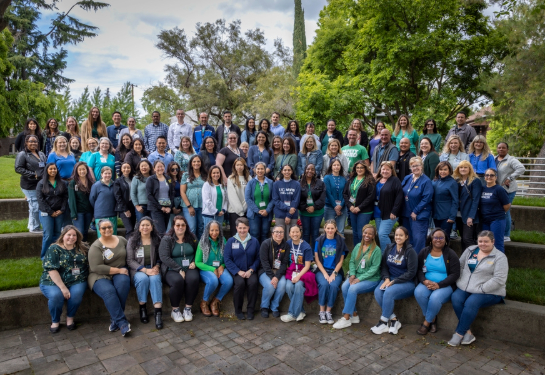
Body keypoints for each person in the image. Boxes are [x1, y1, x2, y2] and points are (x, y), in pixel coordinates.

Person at [448, 231, 508, 346]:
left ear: (493, 242)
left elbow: (499, 279)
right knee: (456, 297)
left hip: (489, 291)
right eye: (480, 241)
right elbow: (460, 266)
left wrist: (481, 289)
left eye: (486, 241)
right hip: (466, 287)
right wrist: (461, 282)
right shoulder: (470, 250)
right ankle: (468, 332)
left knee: (471, 302)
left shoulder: (500, 257)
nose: (483, 244)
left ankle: (459, 333)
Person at [39, 226, 89, 333]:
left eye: (74, 235)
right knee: (56, 296)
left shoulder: (82, 247)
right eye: (69, 235)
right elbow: (51, 269)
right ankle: (55, 321)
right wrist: (63, 288)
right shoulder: (54, 249)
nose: (71, 237)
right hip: (53, 281)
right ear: (63, 236)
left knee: (76, 295)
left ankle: (70, 318)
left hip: (77, 279)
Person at [88, 219, 131, 336]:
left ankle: (114, 320)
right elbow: (96, 267)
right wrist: (118, 270)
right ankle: (122, 323)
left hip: (120, 272)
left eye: (109, 227)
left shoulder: (122, 240)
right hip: (99, 275)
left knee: (123, 285)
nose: (107, 230)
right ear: (99, 229)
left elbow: (130, 255)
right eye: (104, 228)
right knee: (109, 291)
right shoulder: (96, 246)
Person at [333, 224, 382, 329]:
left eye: (370, 234)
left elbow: (374, 269)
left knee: (353, 288)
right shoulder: (358, 246)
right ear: (362, 233)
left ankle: (346, 318)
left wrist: (359, 279)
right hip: (356, 275)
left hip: (371, 279)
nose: (367, 235)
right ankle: (354, 315)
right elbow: (351, 262)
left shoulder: (376, 250)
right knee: (345, 286)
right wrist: (353, 274)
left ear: (374, 236)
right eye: (365, 233)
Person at [371, 226, 417, 335]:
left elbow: (411, 273)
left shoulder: (410, 252)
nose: (398, 237)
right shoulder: (389, 248)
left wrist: (394, 281)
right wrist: (387, 279)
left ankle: (383, 322)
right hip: (390, 279)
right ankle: (394, 320)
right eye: (396, 235)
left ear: (406, 237)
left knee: (389, 292)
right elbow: (384, 266)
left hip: (406, 282)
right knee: (378, 292)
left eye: (401, 235)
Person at [415, 228, 460, 335]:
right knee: (418, 293)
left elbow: (455, 274)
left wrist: (439, 285)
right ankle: (433, 318)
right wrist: (424, 281)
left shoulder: (451, 254)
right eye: (435, 237)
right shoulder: (424, 252)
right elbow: (419, 269)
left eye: (441, 237)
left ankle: (426, 322)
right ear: (431, 239)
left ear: (445, 240)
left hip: (445, 285)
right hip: (427, 282)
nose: (438, 240)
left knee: (435, 298)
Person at [159, 215, 199, 322]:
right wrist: (179, 269)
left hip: (189, 267)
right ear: (173, 226)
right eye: (178, 225)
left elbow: (198, 252)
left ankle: (187, 309)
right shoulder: (167, 239)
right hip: (172, 268)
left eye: (183, 225)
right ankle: (175, 310)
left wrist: (195, 261)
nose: (180, 227)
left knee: (193, 279)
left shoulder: (192, 237)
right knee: (177, 281)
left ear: (186, 226)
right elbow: (164, 257)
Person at [126, 217, 163, 329]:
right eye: (143, 225)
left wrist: (157, 266)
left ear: (152, 227)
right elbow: (129, 260)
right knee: (143, 279)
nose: (145, 227)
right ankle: (142, 308)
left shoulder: (157, 239)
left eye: (147, 225)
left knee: (155, 279)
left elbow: (160, 257)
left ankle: (158, 313)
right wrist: (145, 270)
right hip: (138, 270)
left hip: (153, 268)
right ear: (139, 227)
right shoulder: (132, 240)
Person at [224, 217, 261, 320]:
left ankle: (250, 310)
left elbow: (258, 258)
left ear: (248, 228)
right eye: (240, 228)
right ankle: (238, 310)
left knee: (253, 283)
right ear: (236, 228)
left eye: (244, 228)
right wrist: (237, 271)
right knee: (239, 284)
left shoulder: (254, 241)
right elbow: (227, 259)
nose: (242, 230)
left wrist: (251, 269)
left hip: (251, 270)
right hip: (237, 271)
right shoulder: (231, 241)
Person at [195, 220, 233, 317]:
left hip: (219, 268)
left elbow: (227, 258)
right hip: (206, 269)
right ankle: (204, 302)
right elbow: (197, 262)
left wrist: (222, 266)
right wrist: (212, 269)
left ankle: (215, 301)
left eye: (217, 230)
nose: (214, 233)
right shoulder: (203, 242)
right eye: (212, 230)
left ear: (220, 231)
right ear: (208, 230)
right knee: (213, 280)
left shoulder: (223, 240)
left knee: (228, 281)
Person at [281, 225, 317, 322]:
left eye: (297, 232)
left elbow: (307, 266)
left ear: (300, 233)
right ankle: (300, 311)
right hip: (291, 272)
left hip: (303, 272)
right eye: (293, 232)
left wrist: (298, 276)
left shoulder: (306, 246)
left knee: (299, 286)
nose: (295, 234)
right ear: (289, 234)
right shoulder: (287, 244)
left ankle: (292, 314)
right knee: (288, 286)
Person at [314, 220, 347, 324]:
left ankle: (329, 311)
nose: (330, 230)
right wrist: (324, 273)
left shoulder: (340, 241)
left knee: (333, 286)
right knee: (323, 284)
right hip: (322, 270)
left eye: (332, 228)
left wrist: (334, 274)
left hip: (335, 270)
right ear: (324, 229)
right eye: (328, 228)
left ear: (336, 229)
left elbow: (341, 260)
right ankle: (322, 311)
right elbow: (317, 259)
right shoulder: (319, 241)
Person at [400, 156, 434, 254]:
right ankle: (409, 259)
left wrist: (416, 211)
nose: (415, 168)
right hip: (406, 213)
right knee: (408, 238)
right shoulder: (407, 178)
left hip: (419, 215)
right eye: (413, 166)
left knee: (418, 240)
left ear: (421, 166)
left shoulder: (426, 181)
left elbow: (426, 199)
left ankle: (418, 262)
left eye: (417, 165)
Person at [15, 134, 47, 233]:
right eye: (31, 141)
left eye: (35, 141)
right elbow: (18, 168)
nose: (33, 143)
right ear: (26, 143)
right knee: (35, 205)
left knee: (34, 205)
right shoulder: (22, 154)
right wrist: (33, 175)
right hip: (29, 184)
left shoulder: (41, 154)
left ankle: (31, 225)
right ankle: (34, 227)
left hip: (40, 183)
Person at [495, 142, 525, 242]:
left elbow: (521, 168)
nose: (501, 149)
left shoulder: (511, 159)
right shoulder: (494, 159)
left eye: (503, 148)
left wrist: (510, 177)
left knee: (505, 211)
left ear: (507, 149)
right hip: (497, 189)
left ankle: (506, 234)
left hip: (508, 190)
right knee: (499, 211)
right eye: (499, 148)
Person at [36, 163, 68, 258]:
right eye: (50, 169)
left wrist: (62, 210)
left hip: (59, 212)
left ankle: (55, 255)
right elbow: (40, 200)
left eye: (54, 169)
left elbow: (65, 197)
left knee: (58, 234)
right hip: (46, 213)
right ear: (47, 170)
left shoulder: (62, 183)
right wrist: (50, 212)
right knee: (48, 235)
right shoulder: (41, 183)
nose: (53, 171)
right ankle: (44, 256)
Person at [259, 226, 290, 318]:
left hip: (279, 272)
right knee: (270, 286)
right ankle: (264, 306)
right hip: (265, 271)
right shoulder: (266, 244)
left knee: (283, 284)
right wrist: (272, 277)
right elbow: (264, 262)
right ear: (272, 234)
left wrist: (277, 277)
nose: (279, 234)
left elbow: (284, 263)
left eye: (281, 232)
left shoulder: (286, 245)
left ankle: (274, 306)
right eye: (276, 232)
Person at [374, 162, 404, 252]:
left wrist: (394, 211)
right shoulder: (377, 180)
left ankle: (388, 255)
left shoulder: (395, 180)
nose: (385, 171)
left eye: (388, 169)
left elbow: (399, 196)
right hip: (377, 212)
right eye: (383, 169)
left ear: (391, 170)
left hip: (390, 212)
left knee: (382, 234)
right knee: (380, 235)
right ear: (380, 170)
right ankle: (383, 256)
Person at [479, 168, 511, 252]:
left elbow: (507, 205)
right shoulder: (482, 188)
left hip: (497, 220)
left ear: (496, 177)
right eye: (487, 175)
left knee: (497, 243)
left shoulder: (499, 189)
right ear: (484, 177)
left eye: (492, 175)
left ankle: (500, 264)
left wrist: (498, 213)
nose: (489, 177)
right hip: (485, 220)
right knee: (485, 243)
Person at [453, 161, 482, 250]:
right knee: (463, 239)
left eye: (465, 167)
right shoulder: (457, 181)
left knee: (468, 239)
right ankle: (464, 260)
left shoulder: (475, 181)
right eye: (461, 167)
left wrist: (471, 216)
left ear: (470, 169)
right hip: (459, 214)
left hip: (469, 214)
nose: (463, 169)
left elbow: (476, 200)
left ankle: (475, 258)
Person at [245, 162, 274, 243]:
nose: (260, 170)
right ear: (255, 170)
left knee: (265, 234)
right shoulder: (251, 182)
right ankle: (255, 254)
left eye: (262, 169)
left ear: (265, 170)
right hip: (254, 214)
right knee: (254, 234)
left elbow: (274, 198)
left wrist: (267, 210)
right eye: (258, 169)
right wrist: (257, 210)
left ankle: (264, 254)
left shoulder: (270, 182)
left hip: (266, 214)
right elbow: (248, 198)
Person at [299, 164, 326, 250]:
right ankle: (306, 253)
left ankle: (315, 254)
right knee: (305, 233)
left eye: (312, 169)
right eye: (308, 169)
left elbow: (323, 198)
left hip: (317, 213)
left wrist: (314, 207)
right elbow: (297, 198)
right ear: (305, 170)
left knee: (315, 233)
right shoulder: (299, 183)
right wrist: (306, 207)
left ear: (315, 171)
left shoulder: (320, 183)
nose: (310, 171)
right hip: (304, 212)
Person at [272, 165, 301, 239]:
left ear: (292, 171)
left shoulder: (297, 184)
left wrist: (289, 215)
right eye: (285, 170)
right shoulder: (276, 184)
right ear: (282, 171)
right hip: (280, 214)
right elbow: (276, 200)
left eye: (289, 170)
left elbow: (296, 200)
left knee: (291, 237)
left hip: (292, 214)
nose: (287, 172)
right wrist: (288, 209)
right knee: (280, 237)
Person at [181, 155, 206, 239]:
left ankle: (201, 249)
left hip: (203, 206)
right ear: (191, 163)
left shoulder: (205, 175)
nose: (196, 163)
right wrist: (189, 206)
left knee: (201, 228)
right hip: (189, 206)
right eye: (194, 161)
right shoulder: (186, 175)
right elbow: (182, 192)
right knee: (192, 228)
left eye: (198, 161)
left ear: (201, 163)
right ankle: (192, 249)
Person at [68, 162, 95, 242]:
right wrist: (73, 214)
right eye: (79, 169)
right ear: (76, 171)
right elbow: (71, 199)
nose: (82, 171)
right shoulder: (73, 182)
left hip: (89, 212)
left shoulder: (91, 182)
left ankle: (84, 250)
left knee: (86, 232)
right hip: (78, 212)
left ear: (87, 170)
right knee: (80, 232)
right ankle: (78, 251)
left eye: (84, 169)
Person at [146, 160, 174, 236]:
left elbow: (172, 193)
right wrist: (161, 207)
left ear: (164, 168)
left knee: (164, 230)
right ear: (154, 168)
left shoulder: (168, 178)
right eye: (158, 167)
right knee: (161, 231)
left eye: (161, 166)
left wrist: (169, 207)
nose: (160, 168)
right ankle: (160, 247)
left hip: (167, 208)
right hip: (156, 209)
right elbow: (149, 195)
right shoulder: (150, 179)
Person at [432, 161, 459, 236]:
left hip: (446, 216)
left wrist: (452, 217)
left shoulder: (452, 183)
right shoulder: (435, 181)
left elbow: (455, 200)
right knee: (437, 237)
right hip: (436, 215)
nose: (442, 172)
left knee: (444, 237)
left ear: (449, 170)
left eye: (445, 169)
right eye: (441, 170)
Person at [90, 167, 117, 236]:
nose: (107, 175)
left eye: (109, 173)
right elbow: (92, 199)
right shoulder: (96, 185)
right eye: (105, 173)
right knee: (102, 236)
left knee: (113, 236)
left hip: (112, 214)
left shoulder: (115, 185)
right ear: (101, 174)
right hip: (100, 215)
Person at [323, 160, 348, 235]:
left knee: (340, 231)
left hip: (342, 207)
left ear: (341, 167)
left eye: (338, 165)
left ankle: (340, 246)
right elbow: (328, 193)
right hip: (329, 207)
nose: (336, 167)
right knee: (329, 231)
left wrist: (340, 206)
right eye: (334, 165)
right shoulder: (327, 178)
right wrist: (335, 206)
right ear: (331, 166)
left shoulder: (344, 179)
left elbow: (346, 193)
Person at [227, 158, 250, 237]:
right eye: (237, 165)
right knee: (235, 233)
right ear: (234, 166)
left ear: (244, 166)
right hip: (234, 211)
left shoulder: (249, 178)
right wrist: (240, 210)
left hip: (246, 210)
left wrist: (244, 208)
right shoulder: (231, 179)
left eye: (241, 165)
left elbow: (248, 195)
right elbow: (232, 196)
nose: (239, 167)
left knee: (245, 233)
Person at [114, 162, 136, 236]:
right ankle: (128, 247)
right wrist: (125, 210)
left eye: (128, 167)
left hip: (133, 206)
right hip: (123, 207)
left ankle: (130, 246)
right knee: (129, 229)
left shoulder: (133, 179)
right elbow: (118, 196)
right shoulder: (118, 181)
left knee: (132, 229)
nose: (126, 169)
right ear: (121, 169)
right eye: (124, 168)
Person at [166, 161, 183, 231]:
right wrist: (172, 207)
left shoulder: (181, 178)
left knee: (181, 222)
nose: (175, 171)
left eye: (177, 169)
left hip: (181, 202)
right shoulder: (167, 179)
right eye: (173, 169)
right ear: (169, 170)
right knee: (171, 224)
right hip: (171, 202)